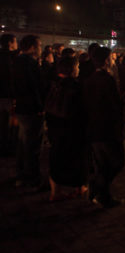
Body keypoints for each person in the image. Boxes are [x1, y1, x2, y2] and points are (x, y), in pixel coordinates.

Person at [83, 47, 125, 208]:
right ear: (107, 61)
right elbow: (114, 106)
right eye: (111, 58)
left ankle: (103, 196)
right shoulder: (107, 80)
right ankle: (97, 188)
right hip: (107, 129)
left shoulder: (89, 79)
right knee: (117, 162)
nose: (113, 60)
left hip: (94, 128)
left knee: (102, 164)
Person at [45, 56, 87, 201]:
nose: (78, 69)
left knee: (56, 158)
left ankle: (55, 191)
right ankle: (79, 187)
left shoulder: (53, 84)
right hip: (72, 129)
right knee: (76, 159)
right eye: (77, 67)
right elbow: (82, 109)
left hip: (54, 127)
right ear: (73, 69)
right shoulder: (76, 86)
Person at [13, 35, 46, 188]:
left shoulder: (17, 61)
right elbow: (34, 87)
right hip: (31, 109)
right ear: (32, 47)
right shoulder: (30, 64)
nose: (40, 49)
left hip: (21, 107)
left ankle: (21, 173)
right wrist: (40, 107)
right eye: (39, 46)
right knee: (32, 144)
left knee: (23, 142)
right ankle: (31, 176)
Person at [0, 34, 18, 156]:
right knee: (9, 124)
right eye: (15, 41)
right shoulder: (12, 58)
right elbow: (11, 78)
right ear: (10, 43)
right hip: (8, 96)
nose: (17, 44)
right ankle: (7, 148)